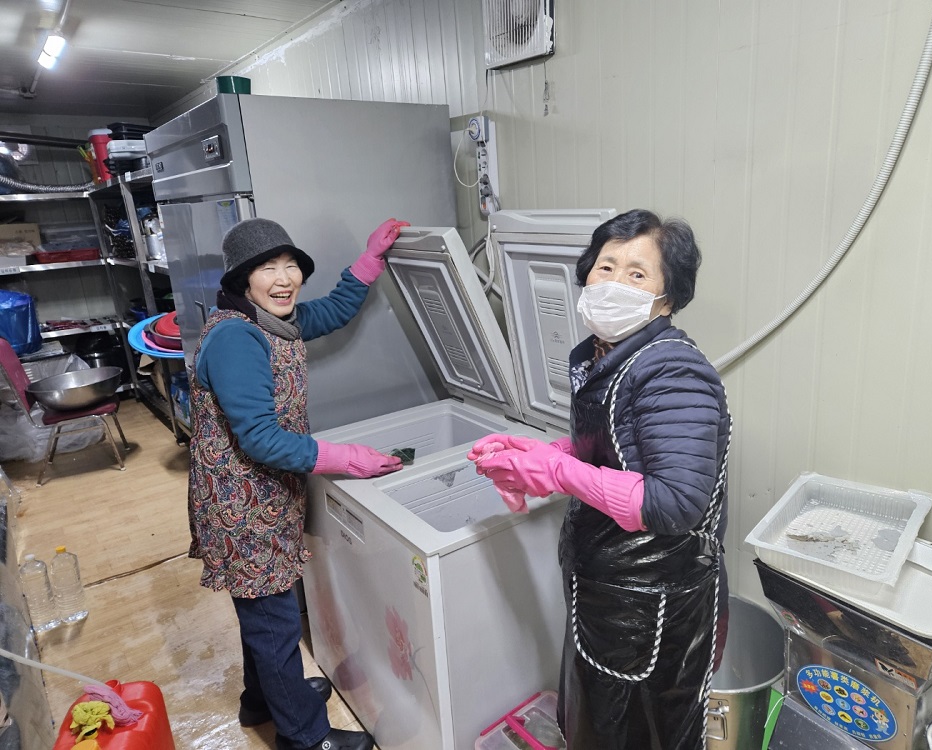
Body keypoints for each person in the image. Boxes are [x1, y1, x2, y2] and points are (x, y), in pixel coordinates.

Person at [468, 209, 732, 750]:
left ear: (668, 298)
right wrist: (539, 455)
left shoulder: (672, 371)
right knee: (594, 724)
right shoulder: (601, 355)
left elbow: (674, 502)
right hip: (608, 591)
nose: (614, 283)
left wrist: (557, 470)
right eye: (606, 266)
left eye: (637, 273)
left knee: (638, 735)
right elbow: (618, 452)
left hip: (652, 609)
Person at [187, 216, 410, 750]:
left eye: (292, 266)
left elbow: (332, 310)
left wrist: (369, 260)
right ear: (243, 280)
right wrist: (346, 458)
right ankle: (305, 737)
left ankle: (262, 699)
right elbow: (262, 438)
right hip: (241, 506)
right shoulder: (236, 337)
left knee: (262, 615)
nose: (285, 278)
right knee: (275, 623)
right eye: (268, 268)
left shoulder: (274, 321)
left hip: (265, 496)